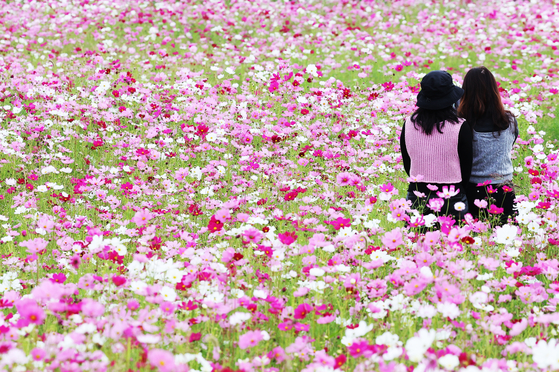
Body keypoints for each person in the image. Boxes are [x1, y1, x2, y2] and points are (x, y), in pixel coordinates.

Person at [400, 70, 473, 223]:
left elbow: (408, 163)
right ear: (450, 97)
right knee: (454, 244)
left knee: (416, 244)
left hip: (417, 194)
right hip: (452, 196)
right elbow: (466, 168)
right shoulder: (460, 126)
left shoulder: (408, 124)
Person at [458, 66, 518, 225]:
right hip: (504, 190)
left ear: (466, 91)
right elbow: (510, 145)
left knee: (476, 241)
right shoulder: (510, 121)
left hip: (473, 190)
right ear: (494, 90)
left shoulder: (464, 123)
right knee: (507, 240)